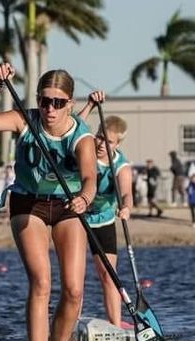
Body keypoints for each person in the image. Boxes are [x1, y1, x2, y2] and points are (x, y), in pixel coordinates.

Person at [0, 62, 97, 341]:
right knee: (41, 282)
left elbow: (90, 180)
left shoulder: (82, 137)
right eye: (44, 100)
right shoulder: (24, 120)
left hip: (67, 205)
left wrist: (84, 200)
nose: (50, 109)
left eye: (58, 103)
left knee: (74, 291)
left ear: (70, 105)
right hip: (28, 202)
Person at [74, 105, 134, 329]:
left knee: (109, 275)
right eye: (99, 137)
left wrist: (126, 208)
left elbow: (127, 193)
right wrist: (89, 105)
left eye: (108, 141)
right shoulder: (85, 148)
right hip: (78, 219)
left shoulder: (121, 166)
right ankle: (72, 324)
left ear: (117, 144)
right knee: (75, 279)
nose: (100, 144)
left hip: (104, 220)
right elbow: (73, 125)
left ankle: (116, 324)